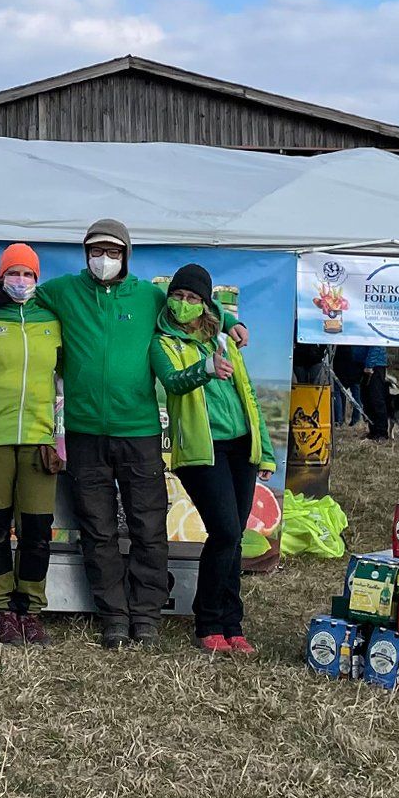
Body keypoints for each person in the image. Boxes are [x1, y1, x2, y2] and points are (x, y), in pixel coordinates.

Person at [0, 219, 248, 649]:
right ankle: (113, 615)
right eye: (96, 251)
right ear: (86, 255)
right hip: (84, 434)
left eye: (113, 252)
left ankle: (146, 614)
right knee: (98, 530)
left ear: (126, 256)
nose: (104, 260)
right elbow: (15, 291)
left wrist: (228, 321)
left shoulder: (148, 296)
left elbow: (188, 307)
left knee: (147, 526)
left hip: (138, 432)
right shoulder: (63, 291)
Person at [150, 264, 276, 653]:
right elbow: (172, 381)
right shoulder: (162, 342)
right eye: (179, 296)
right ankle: (207, 622)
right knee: (223, 531)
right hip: (202, 452)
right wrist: (204, 368)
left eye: (193, 298)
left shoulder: (223, 340)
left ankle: (232, 625)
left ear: (205, 305)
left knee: (234, 538)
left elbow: (248, 396)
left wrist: (265, 450)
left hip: (241, 447)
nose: (183, 304)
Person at [0, 243, 62, 647]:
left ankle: (31, 611)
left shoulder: (52, 321)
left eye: (29, 275)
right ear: (0, 278)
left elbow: (71, 375)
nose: (21, 281)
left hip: (39, 438)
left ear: (38, 281)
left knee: (38, 529)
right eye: (13, 273)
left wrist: (61, 433)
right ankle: (1, 609)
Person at [359, 344, 391, 441]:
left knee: (376, 399)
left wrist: (370, 364)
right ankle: (373, 431)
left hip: (375, 366)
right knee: (367, 399)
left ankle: (381, 432)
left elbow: (377, 344)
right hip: (365, 364)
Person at [332, 345, 365, 428]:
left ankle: (339, 420)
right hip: (356, 371)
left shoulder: (339, 342)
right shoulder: (357, 342)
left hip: (340, 370)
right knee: (357, 396)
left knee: (338, 393)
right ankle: (356, 419)